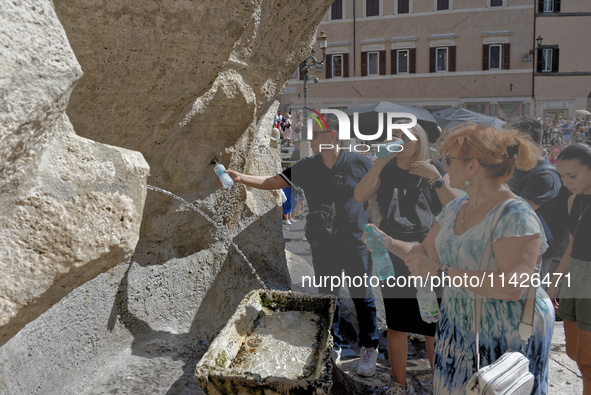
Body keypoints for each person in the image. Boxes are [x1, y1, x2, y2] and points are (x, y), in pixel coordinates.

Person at [225, 114, 380, 377]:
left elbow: (380, 192)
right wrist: (241, 177)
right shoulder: (308, 166)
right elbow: (274, 181)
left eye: (316, 135)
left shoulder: (359, 162)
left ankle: (369, 347)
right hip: (324, 244)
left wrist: (377, 226)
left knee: (362, 297)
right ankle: (334, 343)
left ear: (332, 136)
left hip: (356, 242)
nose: (310, 139)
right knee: (328, 298)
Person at [403, 123, 554, 394]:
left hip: (505, 334)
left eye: (449, 160)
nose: (445, 167)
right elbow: (424, 253)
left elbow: (512, 286)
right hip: (460, 327)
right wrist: (385, 241)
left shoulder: (516, 214)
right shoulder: (456, 206)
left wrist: (439, 272)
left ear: (472, 166)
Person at [355, 122, 458, 394]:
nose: (397, 140)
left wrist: (435, 177)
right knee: (398, 323)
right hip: (394, 251)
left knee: (433, 323)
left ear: (418, 141)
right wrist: (379, 161)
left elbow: (457, 208)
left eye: (404, 136)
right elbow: (360, 195)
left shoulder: (432, 168)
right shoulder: (385, 169)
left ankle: (441, 384)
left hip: (430, 253)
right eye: (394, 136)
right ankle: (398, 384)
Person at [506, 116, 571, 288]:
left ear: (526, 141)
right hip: (523, 249)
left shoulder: (545, 176)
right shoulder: (519, 169)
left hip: (544, 256)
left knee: (537, 301)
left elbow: (514, 213)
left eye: (509, 139)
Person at [548, 142, 591, 395]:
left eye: (572, 175)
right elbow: (571, 247)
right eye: (562, 176)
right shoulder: (574, 200)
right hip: (574, 278)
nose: (566, 182)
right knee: (575, 354)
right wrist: (553, 284)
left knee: (587, 359)